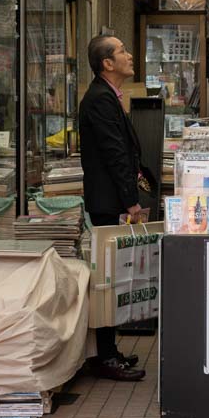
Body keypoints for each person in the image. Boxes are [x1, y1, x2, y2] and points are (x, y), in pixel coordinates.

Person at [77, 34, 149, 381]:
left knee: (114, 278)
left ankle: (109, 351)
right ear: (107, 63)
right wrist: (131, 201)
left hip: (111, 200)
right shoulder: (100, 100)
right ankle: (104, 358)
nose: (129, 55)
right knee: (108, 279)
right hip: (108, 204)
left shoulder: (109, 96)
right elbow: (114, 154)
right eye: (122, 51)